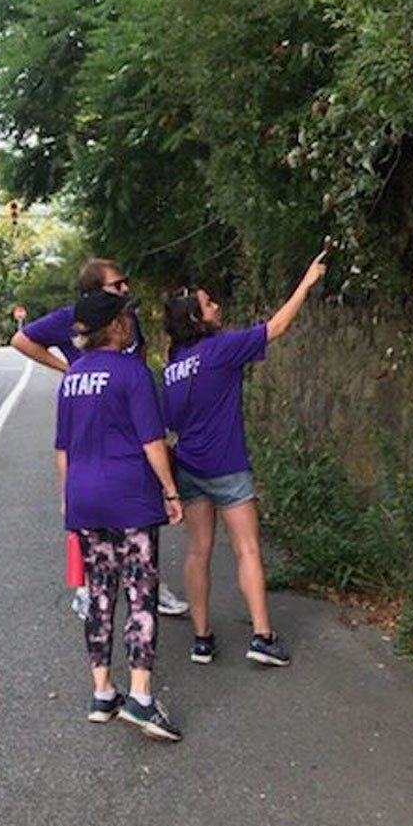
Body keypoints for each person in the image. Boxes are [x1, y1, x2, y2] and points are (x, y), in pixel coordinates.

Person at [161, 248, 327, 667]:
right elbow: (277, 326)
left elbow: (168, 423)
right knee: (248, 549)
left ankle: (201, 640)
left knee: (199, 552)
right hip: (229, 466)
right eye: (209, 303)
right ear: (198, 318)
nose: (217, 305)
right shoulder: (222, 349)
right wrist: (306, 282)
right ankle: (262, 636)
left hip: (189, 468)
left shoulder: (173, 368)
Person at [12, 258, 189, 619]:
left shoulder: (127, 317)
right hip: (93, 418)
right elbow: (21, 340)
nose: (125, 289)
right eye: (116, 284)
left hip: (130, 415)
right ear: (94, 293)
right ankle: (86, 586)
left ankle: (150, 585)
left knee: (141, 500)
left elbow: (135, 358)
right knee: (92, 501)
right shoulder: (71, 317)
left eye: (125, 282)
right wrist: (68, 368)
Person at [56, 289, 184, 742]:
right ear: (115, 326)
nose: (131, 322)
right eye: (126, 317)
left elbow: (64, 450)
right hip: (130, 499)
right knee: (140, 594)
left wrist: (67, 500)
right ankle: (141, 699)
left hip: (85, 501)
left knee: (99, 595)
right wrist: (170, 491)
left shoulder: (71, 378)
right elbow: (152, 442)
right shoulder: (133, 372)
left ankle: (102, 692)